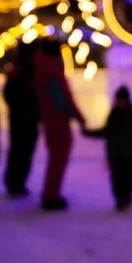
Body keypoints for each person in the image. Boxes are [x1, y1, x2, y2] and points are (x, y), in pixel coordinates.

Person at [33, 38, 85, 211]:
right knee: (58, 157)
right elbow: (62, 98)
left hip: (49, 117)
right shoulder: (51, 68)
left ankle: (51, 192)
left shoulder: (40, 66)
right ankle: (51, 195)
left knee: (55, 157)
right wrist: (79, 117)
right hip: (57, 119)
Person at [84, 85, 132, 210]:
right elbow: (107, 132)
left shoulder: (130, 117)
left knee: (126, 180)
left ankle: (125, 199)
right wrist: (89, 133)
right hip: (117, 155)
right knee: (118, 180)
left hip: (128, 156)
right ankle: (121, 200)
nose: (120, 102)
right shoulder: (117, 115)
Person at [0, 40, 39, 197]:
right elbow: (9, 94)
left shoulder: (18, 69)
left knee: (20, 150)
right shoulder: (22, 70)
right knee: (21, 150)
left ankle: (16, 182)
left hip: (21, 117)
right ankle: (16, 182)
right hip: (24, 117)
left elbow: (7, 94)